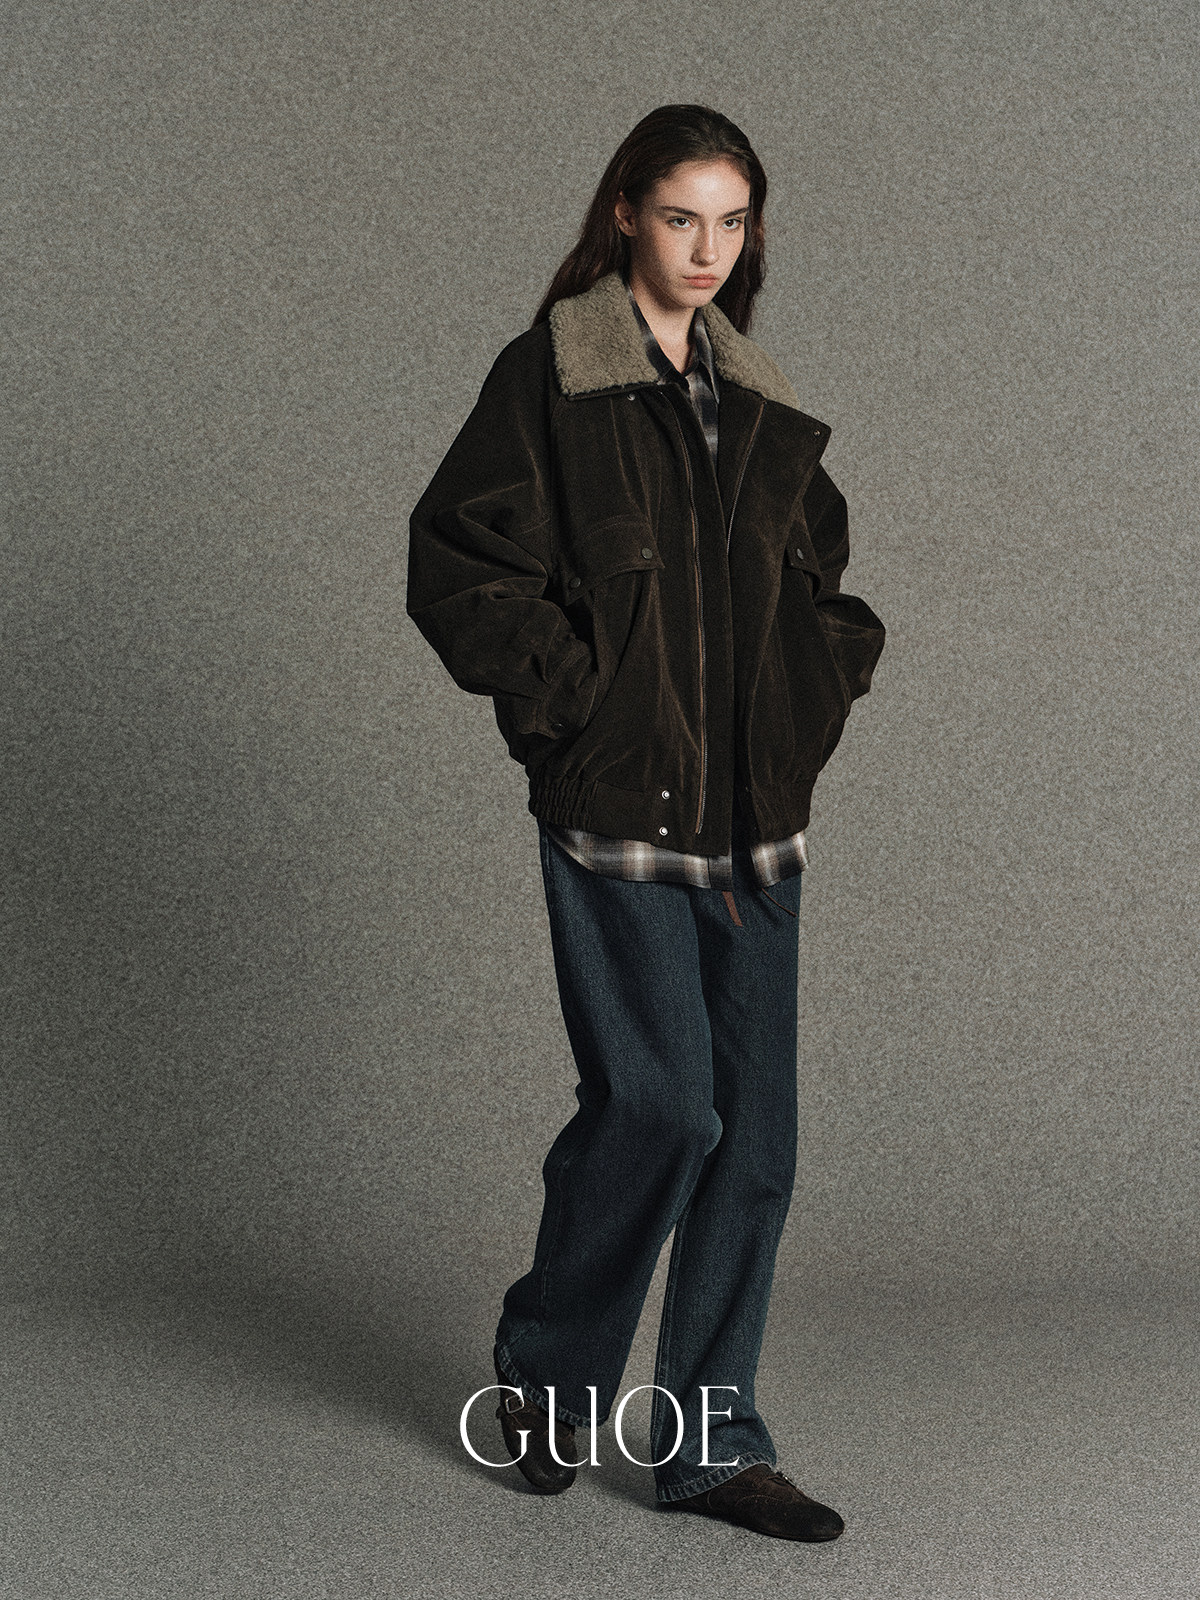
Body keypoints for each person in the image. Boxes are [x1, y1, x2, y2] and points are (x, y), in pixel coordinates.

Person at [407, 104, 885, 1542]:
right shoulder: (553, 378)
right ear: (625, 212)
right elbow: (461, 565)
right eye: (682, 217)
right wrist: (580, 714)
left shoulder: (758, 398)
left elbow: (825, 590)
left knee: (755, 1146)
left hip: (757, 831)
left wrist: (809, 698)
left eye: (732, 222)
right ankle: (550, 1380)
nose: (707, 248)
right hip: (619, 817)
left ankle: (708, 1444)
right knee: (663, 1107)